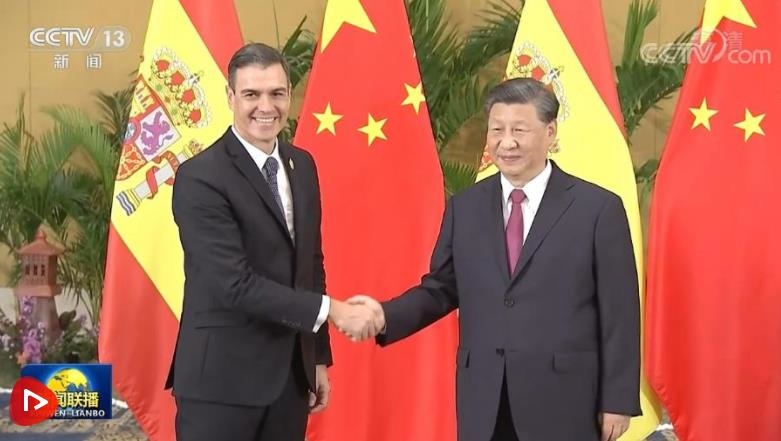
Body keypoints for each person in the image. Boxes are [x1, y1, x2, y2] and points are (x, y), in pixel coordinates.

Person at [347, 77, 641, 441]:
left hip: (564, 399)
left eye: (520, 130)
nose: (506, 142)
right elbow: (441, 288)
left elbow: (619, 312)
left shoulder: (596, 208)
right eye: (497, 129)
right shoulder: (465, 207)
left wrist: (617, 399)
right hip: (484, 397)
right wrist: (385, 315)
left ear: (550, 132)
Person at [165, 43, 380, 441]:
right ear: (230, 96)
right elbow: (233, 284)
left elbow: (310, 265)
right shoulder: (200, 177)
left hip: (289, 381)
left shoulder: (303, 165)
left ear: (289, 95)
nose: (266, 107)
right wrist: (333, 311)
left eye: (277, 93)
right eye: (252, 94)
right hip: (220, 385)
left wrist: (317, 358)